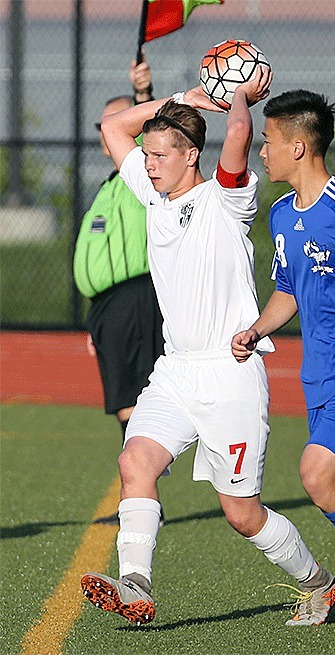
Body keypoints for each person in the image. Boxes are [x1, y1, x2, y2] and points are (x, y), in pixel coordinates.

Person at [80, 70, 335, 628]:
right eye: (146, 154)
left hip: (232, 373)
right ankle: (136, 584)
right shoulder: (152, 197)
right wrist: (182, 98)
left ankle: (318, 583)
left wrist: (240, 98)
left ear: (191, 154)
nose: (148, 164)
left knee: (241, 515)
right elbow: (110, 127)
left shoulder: (227, 199)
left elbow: (240, 138)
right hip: (174, 371)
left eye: (160, 155)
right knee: (134, 461)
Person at [231, 89, 335, 635]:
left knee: (316, 472)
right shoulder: (282, 215)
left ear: (299, 147)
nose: (262, 152)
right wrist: (256, 328)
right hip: (319, 375)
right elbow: (290, 290)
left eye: (269, 141)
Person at [73, 56, 164, 523]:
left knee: (133, 401)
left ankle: (139, 496)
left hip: (133, 298)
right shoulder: (112, 183)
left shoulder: (140, 176)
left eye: (116, 122)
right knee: (124, 403)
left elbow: (157, 136)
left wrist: (145, 95)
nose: (106, 133)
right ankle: (141, 492)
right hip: (110, 307)